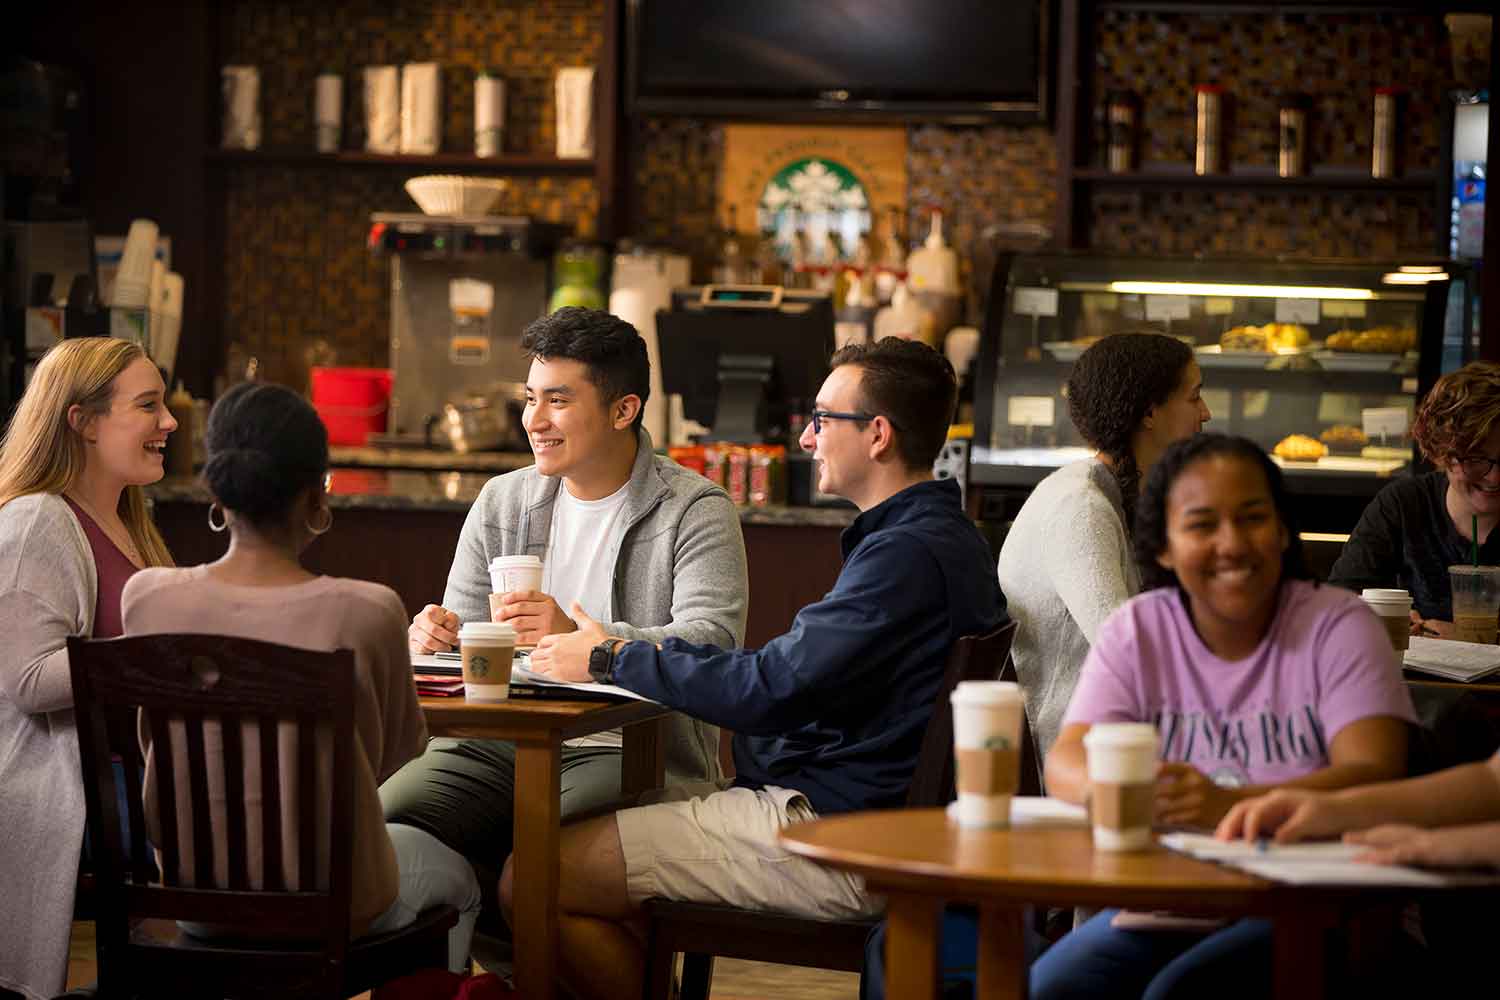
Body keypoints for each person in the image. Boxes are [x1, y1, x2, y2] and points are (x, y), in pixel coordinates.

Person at [515, 337, 1006, 1000]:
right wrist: (629, 655)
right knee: (597, 857)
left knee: (534, 874)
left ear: (879, 435)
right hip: (873, 813)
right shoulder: (937, 535)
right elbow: (783, 675)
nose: (807, 439)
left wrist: (608, 656)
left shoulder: (905, 556)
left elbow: (770, 690)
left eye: (823, 420)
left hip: (844, 834)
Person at [1031, 433, 1416, 1000]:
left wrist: (1226, 805)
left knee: (1179, 992)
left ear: (1283, 531)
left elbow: (1374, 771)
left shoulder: (1340, 626)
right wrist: (1116, 792)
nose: (1232, 543)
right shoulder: (1141, 628)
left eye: (1252, 517)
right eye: (1202, 524)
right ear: (1163, 545)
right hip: (1172, 903)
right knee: (1048, 990)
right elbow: (1069, 758)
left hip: (1324, 903)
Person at [382, 307, 748, 903]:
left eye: (558, 400)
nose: (534, 420)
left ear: (623, 409)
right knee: (387, 824)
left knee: (539, 864)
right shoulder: (502, 500)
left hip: (628, 745)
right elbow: (463, 648)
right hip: (499, 739)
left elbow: (713, 643)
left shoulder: (695, 508)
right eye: (530, 398)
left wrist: (593, 643)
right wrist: (433, 642)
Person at [121, 381, 481, 971]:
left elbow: (150, 744)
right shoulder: (366, 611)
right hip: (340, 901)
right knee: (463, 884)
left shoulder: (148, 600)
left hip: (197, 898)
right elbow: (395, 753)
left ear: (216, 488)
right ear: (317, 494)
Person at [0, 337, 177, 1000]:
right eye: (148, 406)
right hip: (75, 794)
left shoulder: (130, 519)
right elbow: (28, 681)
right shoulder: (36, 521)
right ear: (83, 421)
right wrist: (158, 661)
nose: (170, 423)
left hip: (128, 780)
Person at [999, 332, 1209, 767]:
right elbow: (1127, 650)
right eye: (1195, 398)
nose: (1205, 414)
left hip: (1120, 737)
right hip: (1072, 759)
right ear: (1150, 412)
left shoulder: (1124, 493)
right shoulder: (1081, 509)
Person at [1328, 361, 1500, 636]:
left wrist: (1471, 639)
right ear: (1442, 454)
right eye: (1476, 458)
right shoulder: (1403, 505)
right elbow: (1337, 607)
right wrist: (1383, 620)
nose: (1494, 478)